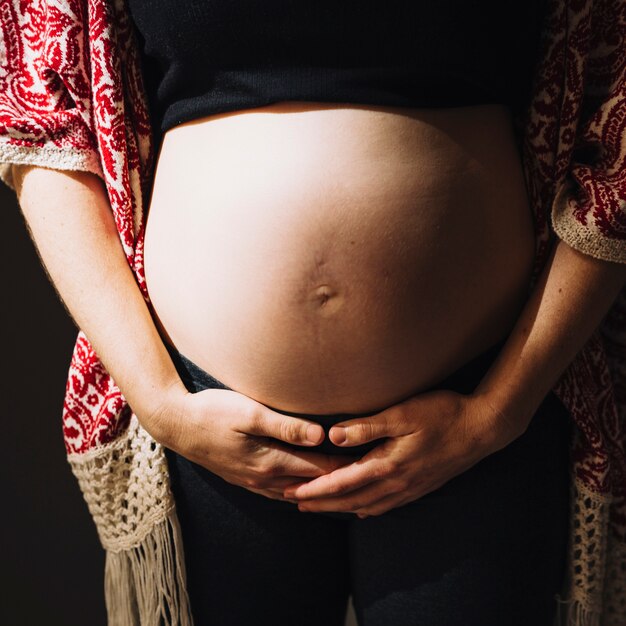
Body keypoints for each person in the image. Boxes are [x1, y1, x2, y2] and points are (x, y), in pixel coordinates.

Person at [1, 1, 624, 626]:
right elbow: (42, 120)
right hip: (204, 418)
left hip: (480, 407)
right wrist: (161, 403)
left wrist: (497, 412)